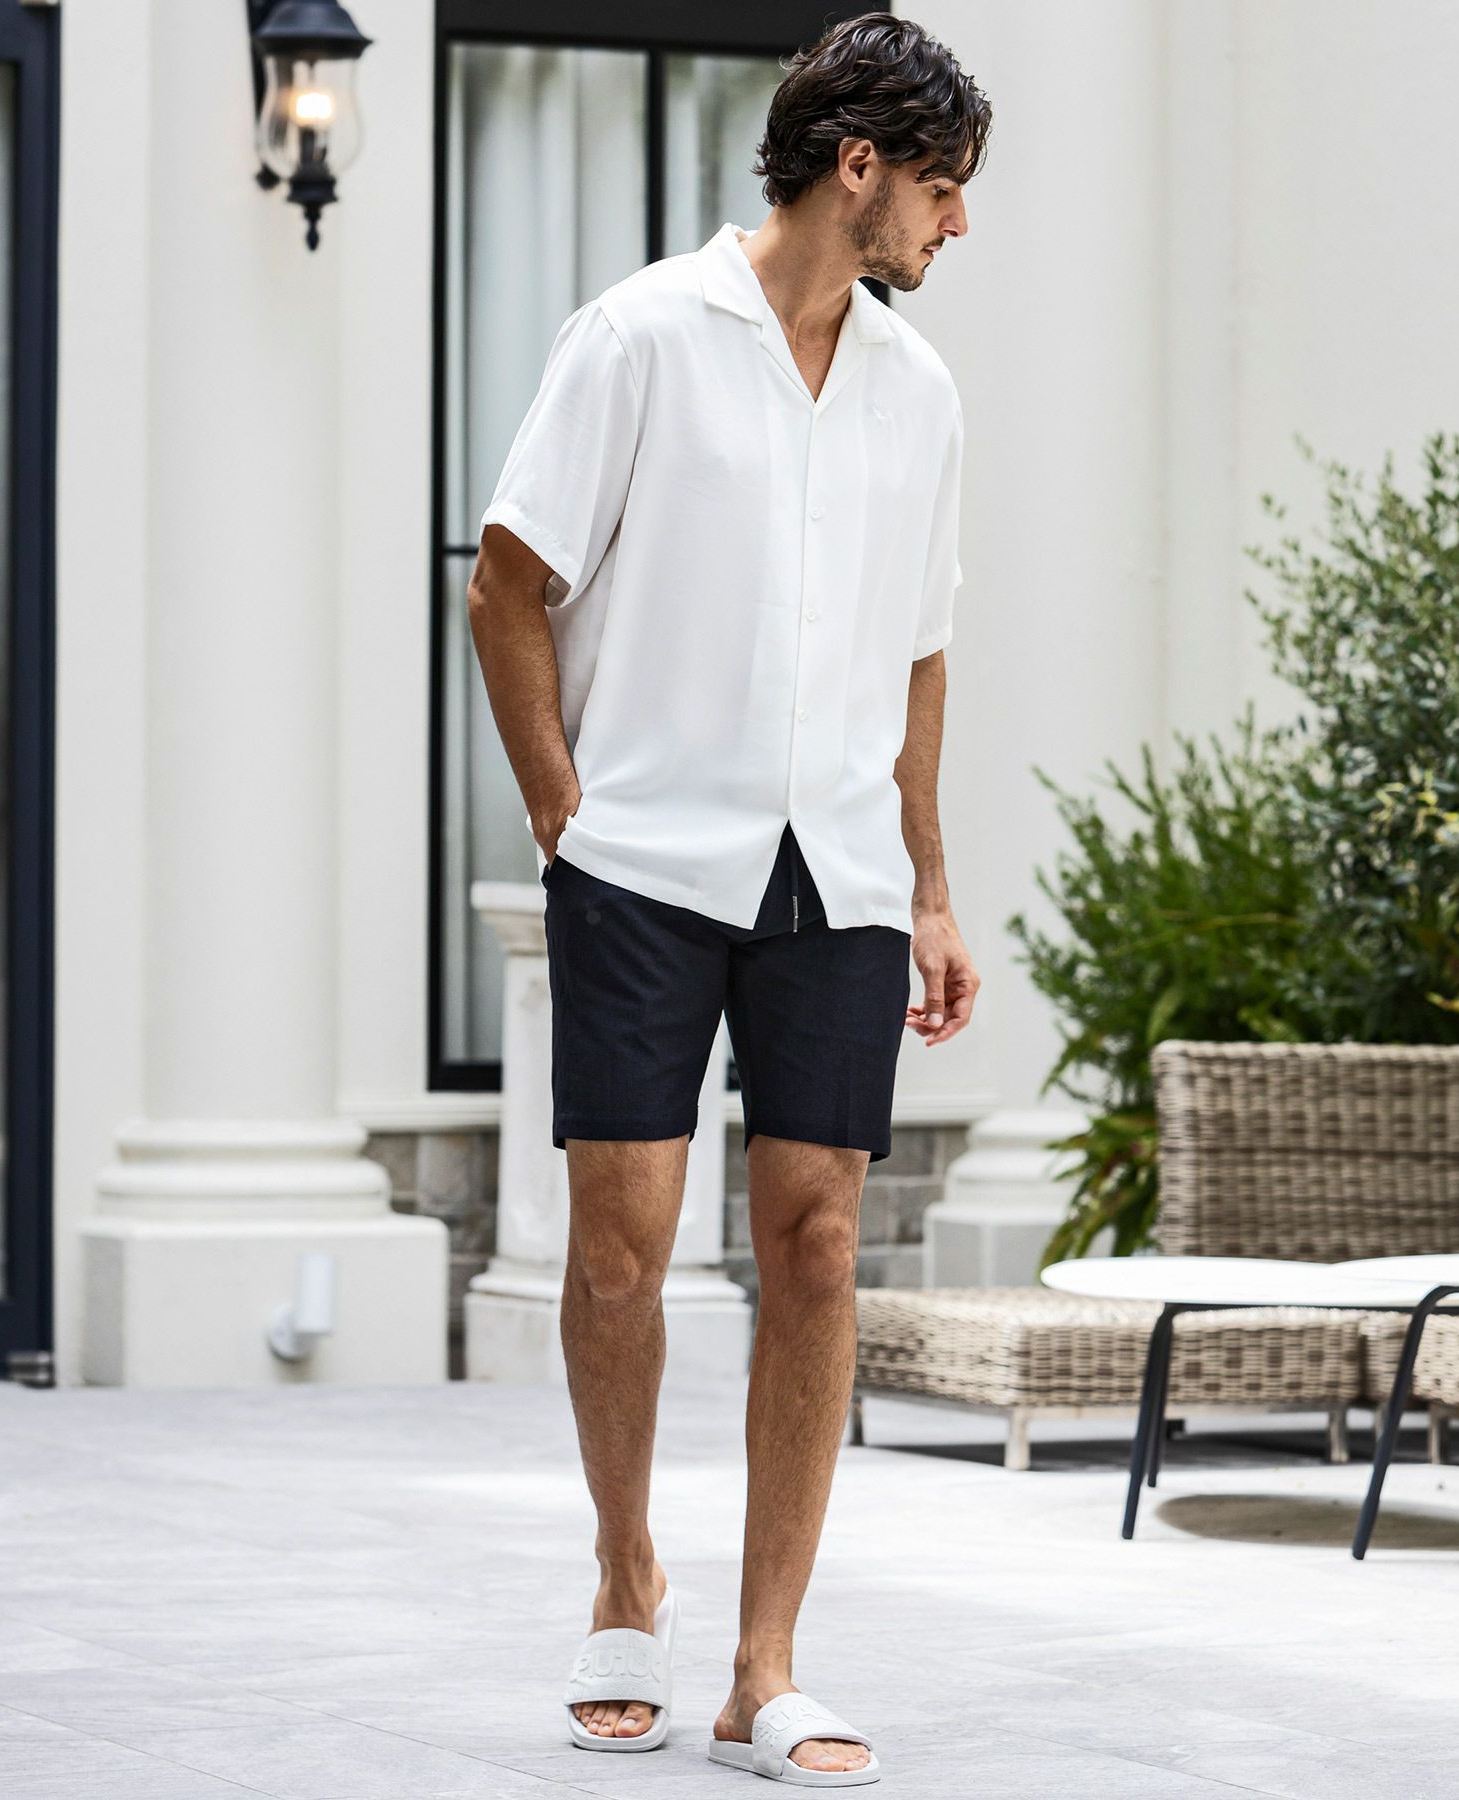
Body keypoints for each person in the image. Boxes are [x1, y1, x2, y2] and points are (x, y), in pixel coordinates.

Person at [466, 12, 989, 1785]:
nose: (958, 224)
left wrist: (929, 884)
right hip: (641, 865)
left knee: (816, 1243)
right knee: (621, 1249)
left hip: (837, 873)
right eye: (944, 187)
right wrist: (566, 813)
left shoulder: (920, 395)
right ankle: (628, 1570)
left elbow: (920, 653)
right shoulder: (638, 338)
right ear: (860, 167)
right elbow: (508, 585)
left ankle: (766, 1667)